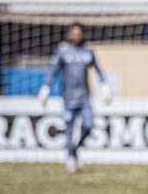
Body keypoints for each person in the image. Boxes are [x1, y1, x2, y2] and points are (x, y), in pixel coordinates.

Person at [38, 23, 111, 173]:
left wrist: (105, 85)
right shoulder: (63, 51)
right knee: (69, 129)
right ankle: (70, 159)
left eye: (78, 33)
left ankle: (75, 151)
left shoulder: (88, 51)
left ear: (82, 34)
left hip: (84, 97)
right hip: (68, 98)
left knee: (89, 125)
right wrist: (46, 87)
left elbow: (99, 70)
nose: (76, 36)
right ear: (69, 34)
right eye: (74, 33)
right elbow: (53, 71)